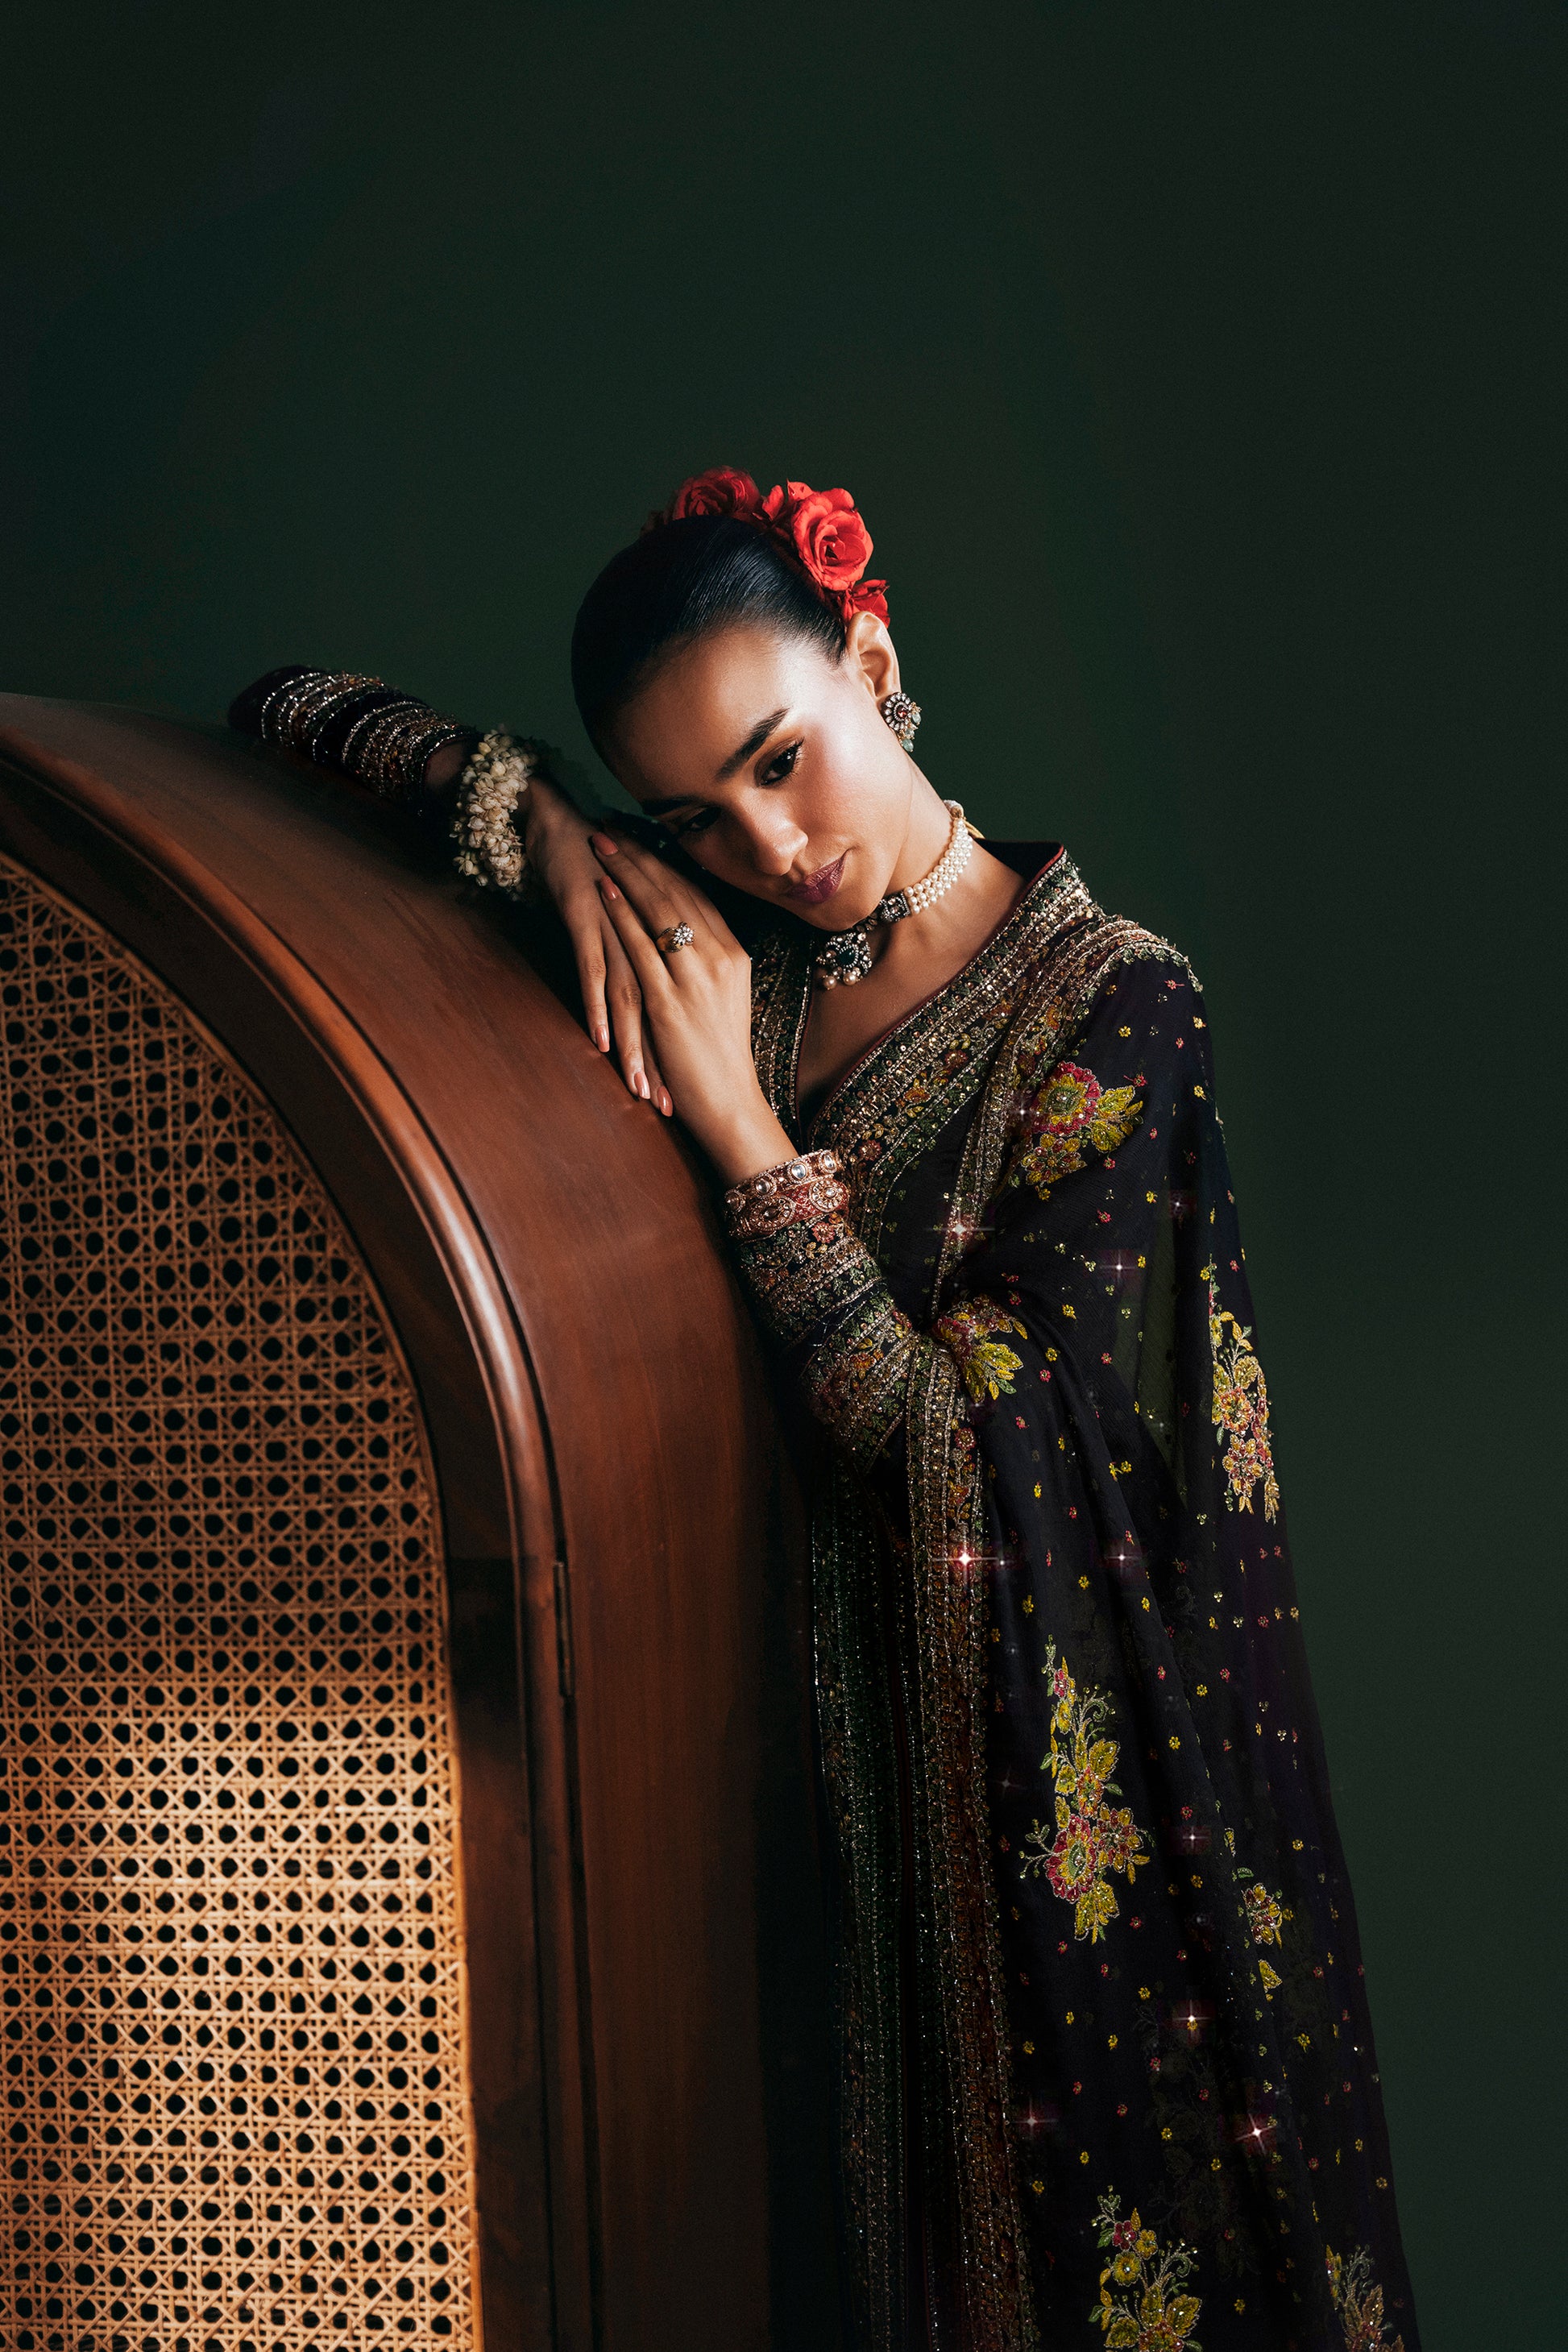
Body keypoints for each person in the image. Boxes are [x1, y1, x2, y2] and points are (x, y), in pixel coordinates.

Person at [231, 470, 1419, 2352]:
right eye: (693, 812)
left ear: (875, 662)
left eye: (785, 761)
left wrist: (739, 1131)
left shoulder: (1114, 1013)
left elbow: (957, 1447)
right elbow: (286, 710)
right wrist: (547, 828)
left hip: (1030, 1837)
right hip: (740, 1798)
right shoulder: (706, 944)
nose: (769, 846)